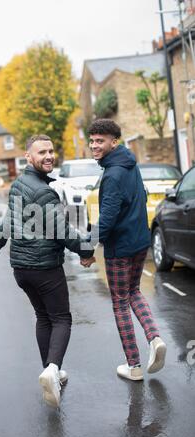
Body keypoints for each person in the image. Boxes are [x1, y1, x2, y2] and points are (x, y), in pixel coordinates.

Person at [0, 134, 95, 407]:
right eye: (41, 152)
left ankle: (49, 370)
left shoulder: (19, 184)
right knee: (61, 319)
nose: (48, 156)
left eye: (51, 150)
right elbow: (63, 232)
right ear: (28, 157)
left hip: (21, 269)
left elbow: (7, 222)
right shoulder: (44, 192)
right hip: (44, 268)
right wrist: (87, 251)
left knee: (43, 317)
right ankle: (53, 369)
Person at [85, 118, 166, 381]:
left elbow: (107, 218)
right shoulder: (130, 164)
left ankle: (134, 367)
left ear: (114, 142)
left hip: (120, 249)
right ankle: (155, 339)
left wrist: (87, 248)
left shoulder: (113, 174)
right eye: (92, 140)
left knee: (120, 303)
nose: (94, 145)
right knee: (133, 293)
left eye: (100, 141)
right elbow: (139, 197)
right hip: (140, 242)